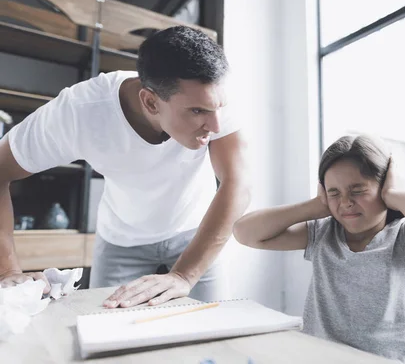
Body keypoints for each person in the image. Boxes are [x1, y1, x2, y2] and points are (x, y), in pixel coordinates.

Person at [0, 26, 250, 308]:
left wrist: (183, 275)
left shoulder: (214, 98)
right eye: (197, 112)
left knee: (213, 331)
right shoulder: (79, 112)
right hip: (121, 241)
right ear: (150, 102)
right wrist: (8, 272)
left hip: (196, 233)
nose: (216, 126)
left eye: (219, 110)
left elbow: (237, 183)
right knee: (106, 335)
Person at [233, 135, 405, 362]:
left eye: (357, 191)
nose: (346, 202)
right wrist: (315, 207)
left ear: (383, 186)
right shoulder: (323, 233)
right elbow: (244, 232)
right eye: (334, 193)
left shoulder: (404, 240)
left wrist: (391, 195)